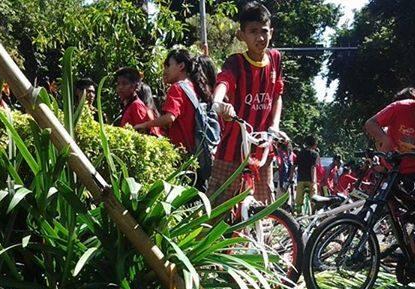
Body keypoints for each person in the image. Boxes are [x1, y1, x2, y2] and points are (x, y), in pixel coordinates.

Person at [207, 2, 285, 206]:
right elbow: (224, 82)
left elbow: (277, 94)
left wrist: (274, 125)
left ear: (272, 32)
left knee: (263, 207)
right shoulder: (235, 63)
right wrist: (218, 102)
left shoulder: (275, 59)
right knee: (218, 206)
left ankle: (259, 239)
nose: (260, 37)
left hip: (263, 148)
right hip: (232, 149)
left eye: (264, 31)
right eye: (252, 32)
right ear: (241, 35)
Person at [364, 81, 415, 207]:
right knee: (388, 209)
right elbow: (370, 123)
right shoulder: (398, 108)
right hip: (394, 171)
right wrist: (385, 139)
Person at [133, 49, 213, 155]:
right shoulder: (192, 86)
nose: (165, 71)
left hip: (182, 152)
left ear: (181, 66)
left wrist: (145, 124)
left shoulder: (177, 88)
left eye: (168, 66)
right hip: (196, 151)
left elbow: (170, 118)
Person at [115, 67, 162, 136]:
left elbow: (144, 135)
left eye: (124, 84)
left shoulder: (136, 105)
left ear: (135, 87)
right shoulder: (129, 105)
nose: (120, 87)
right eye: (118, 84)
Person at [295, 136, 319, 211]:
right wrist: (313, 180)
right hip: (310, 180)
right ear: (315, 144)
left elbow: (294, 166)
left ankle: (298, 212)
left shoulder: (300, 153)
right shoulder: (315, 154)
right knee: (314, 198)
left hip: (300, 180)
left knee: (299, 199)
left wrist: (290, 178)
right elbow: (313, 168)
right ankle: (313, 211)